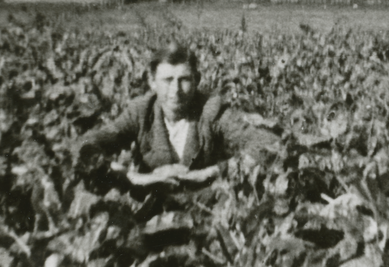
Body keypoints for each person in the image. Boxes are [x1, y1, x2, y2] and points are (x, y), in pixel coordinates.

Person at [71, 42, 279, 188]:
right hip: (147, 202)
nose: (175, 90)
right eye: (167, 80)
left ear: (197, 80)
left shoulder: (211, 110)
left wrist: (207, 173)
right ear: (152, 82)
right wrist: (133, 177)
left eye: (184, 79)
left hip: (205, 207)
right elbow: (87, 145)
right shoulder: (141, 111)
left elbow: (268, 144)